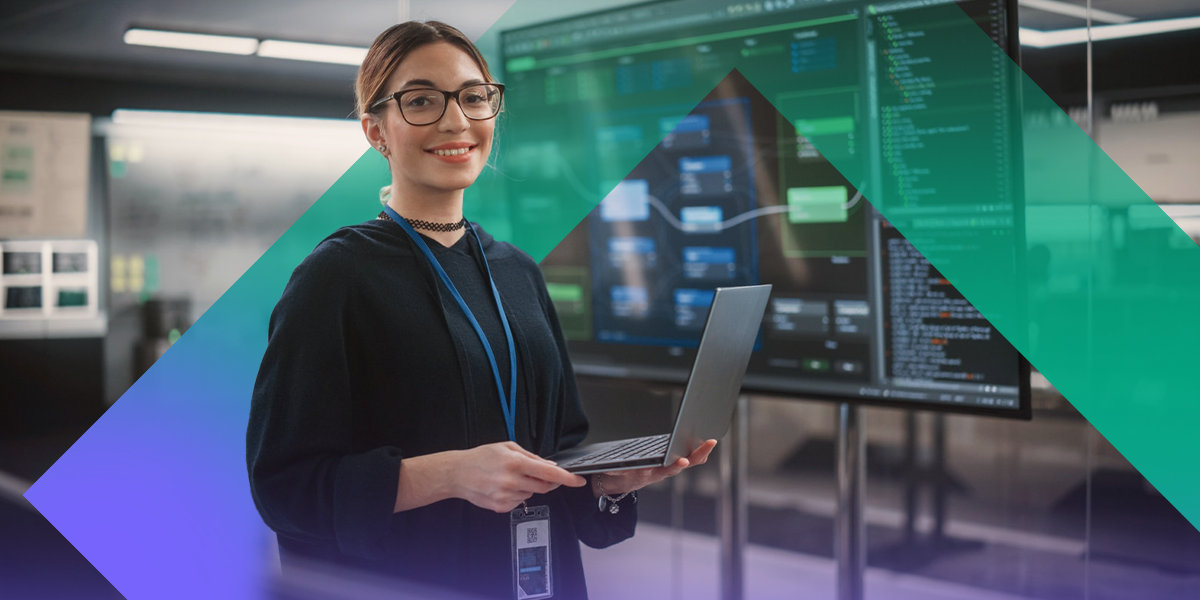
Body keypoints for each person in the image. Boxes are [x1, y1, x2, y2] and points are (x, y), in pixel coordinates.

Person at [246, 21, 716, 600]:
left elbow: (561, 445)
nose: (456, 120)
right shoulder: (336, 278)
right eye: (421, 101)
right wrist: (446, 475)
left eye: (473, 97)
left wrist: (605, 483)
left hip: (538, 578)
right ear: (376, 131)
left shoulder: (517, 272)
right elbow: (285, 489)